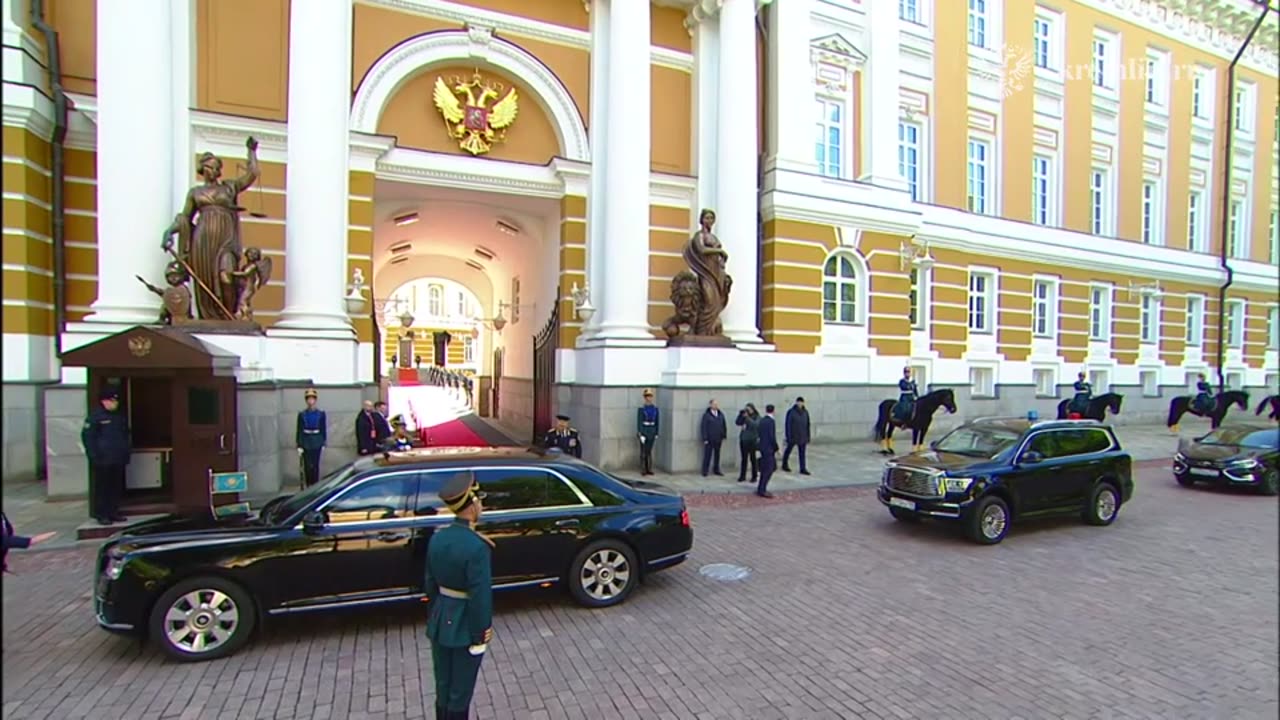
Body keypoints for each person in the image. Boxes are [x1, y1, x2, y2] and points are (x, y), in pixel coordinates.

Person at [425, 474, 495, 720]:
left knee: (443, 686)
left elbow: (430, 584)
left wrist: (437, 614)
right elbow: (480, 597)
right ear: (473, 504)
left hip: (440, 620)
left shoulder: (438, 537)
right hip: (465, 625)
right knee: (460, 693)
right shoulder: (476, 547)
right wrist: (481, 632)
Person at [81, 386, 131, 525]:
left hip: (117, 458)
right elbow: (88, 438)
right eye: (111, 401)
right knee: (102, 488)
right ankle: (102, 514)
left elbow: (125, 436)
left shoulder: (119, 417)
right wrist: (94, 456)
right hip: (102, 460)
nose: (115, 403)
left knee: (115, 487)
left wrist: (126, 454)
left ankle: (113, 512)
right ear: (104, 401)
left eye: (115, 401)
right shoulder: (96, 417)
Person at [295, 389, 327, 487]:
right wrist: (299, 444)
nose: (310, 401)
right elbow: (299, 429)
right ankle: (309, 485)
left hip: (317, 440)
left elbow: (323, 428)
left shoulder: (321, 414)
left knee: (315, 465)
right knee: (307, 466)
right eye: (308, 399)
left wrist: (323, 442)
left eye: (312, 399)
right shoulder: (302, 414)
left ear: (315, 400)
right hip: (306, 441)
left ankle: (315, 485)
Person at [782, 396, 812, 475]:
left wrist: (808, 436)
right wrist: (788, 436)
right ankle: (784, 464)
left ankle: (803, 468)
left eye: (801, 402)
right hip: (793, 436)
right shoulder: (791, 412)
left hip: (803, 436)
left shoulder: (805, 412)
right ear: (796, 402)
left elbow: (808, 424)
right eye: (798, 402)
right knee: (788, 450)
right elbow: (788, 425)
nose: (800, 404)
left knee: (802, 453)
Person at [756, 404, 780, 499]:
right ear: (773, 411)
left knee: (765, 469)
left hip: (762, 447)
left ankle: (761, 488)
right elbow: (772, 436)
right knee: (769, 469)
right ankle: (762, 489)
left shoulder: (762, 420)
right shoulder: (771, 422)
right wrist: (776, 448)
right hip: (769, 448)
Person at [699, 399, 727, 477]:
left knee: (717, 455)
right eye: (714, 404)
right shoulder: (706, 415)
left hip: (718, 438)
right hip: (710, 439)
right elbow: (703, 427)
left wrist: (724, 434)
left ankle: (716, 469)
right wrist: (705, 438)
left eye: (717, 404)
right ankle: (705, 470)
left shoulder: (720, 414)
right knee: (707, 455)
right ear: (710, 405)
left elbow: (724, 425)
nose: (716, 406)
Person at [735, 403, 761, 484]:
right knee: (744, 459)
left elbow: (755, 425)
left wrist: (747, 418)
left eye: (748, 409)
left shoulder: (757, 416)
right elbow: (737, 422)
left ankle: (754, 476)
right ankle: (742, 476)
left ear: (752, 409)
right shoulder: (744, 416)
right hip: (744, 440)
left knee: (753, 459)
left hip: (752, 440)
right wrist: (740, 415)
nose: (747, 411)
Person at [636, 389, 660, 476]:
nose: (648, 398)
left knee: (649, 451)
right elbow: (639, 421)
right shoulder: (641, 409)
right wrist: (640, 433)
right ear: (644, 398)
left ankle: (649, 468)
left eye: (650, 396)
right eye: (647, 396)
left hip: (652, 431)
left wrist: (656, 432)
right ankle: (643, 469)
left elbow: (657, 421)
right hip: (644, 430)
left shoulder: (655, 409)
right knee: (643, 451)